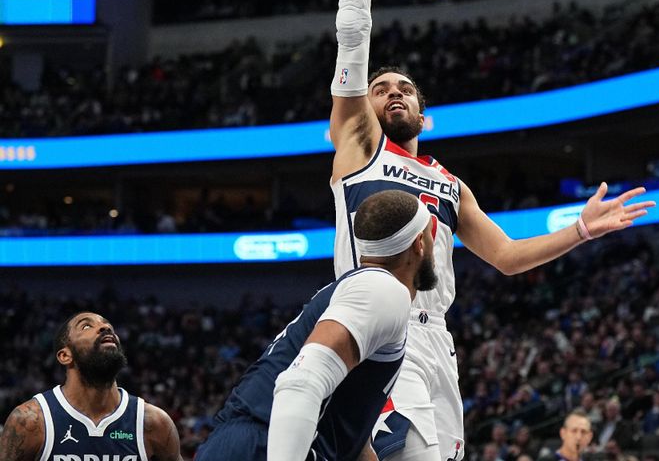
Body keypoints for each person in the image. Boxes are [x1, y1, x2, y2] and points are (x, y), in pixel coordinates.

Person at [322, 0, 655, 461]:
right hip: (373, 326)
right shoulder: (357, 150)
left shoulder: (450, 184)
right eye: (380, 88)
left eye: (404, 89)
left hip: (434, 341)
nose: (392, 92)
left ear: (425, 117)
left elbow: (505, 257)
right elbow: (352, 42)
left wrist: (580, 229)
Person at [195, 189, 437, 461]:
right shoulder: (383, 289)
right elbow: (301, 382)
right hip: (265, 440)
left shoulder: (362, 295)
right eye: (431, 234)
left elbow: (352, 442)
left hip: (255, 439)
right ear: (419, 243)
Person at [0, 311, 180, 461]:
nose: (106, 327)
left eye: (108, 325)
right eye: (86, 326)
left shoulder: (154, 422)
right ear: (65, 355)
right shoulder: (31, 421)